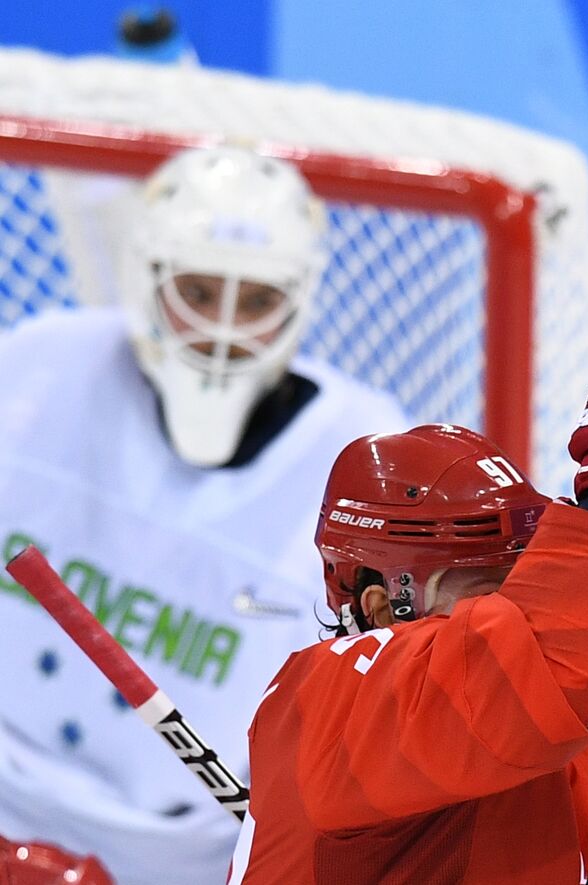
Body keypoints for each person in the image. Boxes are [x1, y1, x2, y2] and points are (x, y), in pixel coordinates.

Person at [231, 213, 588, 883]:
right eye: (489, 585)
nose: (522, 603)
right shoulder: (327, 701)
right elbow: (524, 666)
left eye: (528, 573)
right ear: (380, 603)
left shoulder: (582, 751)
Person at [0, 146, 407, 884]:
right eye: (198, 291)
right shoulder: (37, 368)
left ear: (300, 300)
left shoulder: (367, 465)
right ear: (148, 277)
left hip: (175, 865)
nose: (222, 329)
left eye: (255, 301)